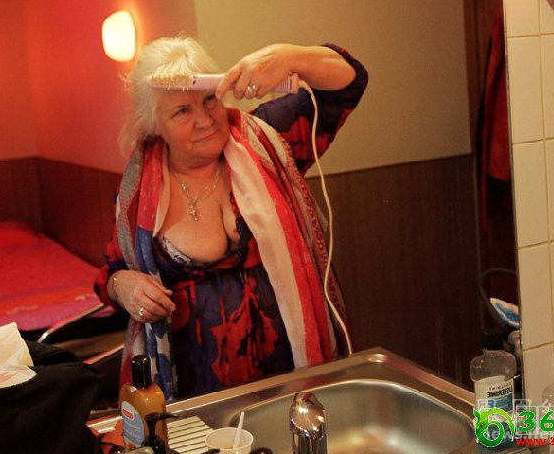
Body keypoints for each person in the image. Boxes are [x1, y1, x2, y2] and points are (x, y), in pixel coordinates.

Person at [94, 36, 367, 400]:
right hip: (193, 393)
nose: (205, 119)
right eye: (182, 111)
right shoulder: (139, 191)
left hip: (292, 378)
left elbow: (349, 84)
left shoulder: (267, 140)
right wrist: (122, 285)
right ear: (154, 125)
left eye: (210, 99)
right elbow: (111, 274)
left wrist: (291, 57)